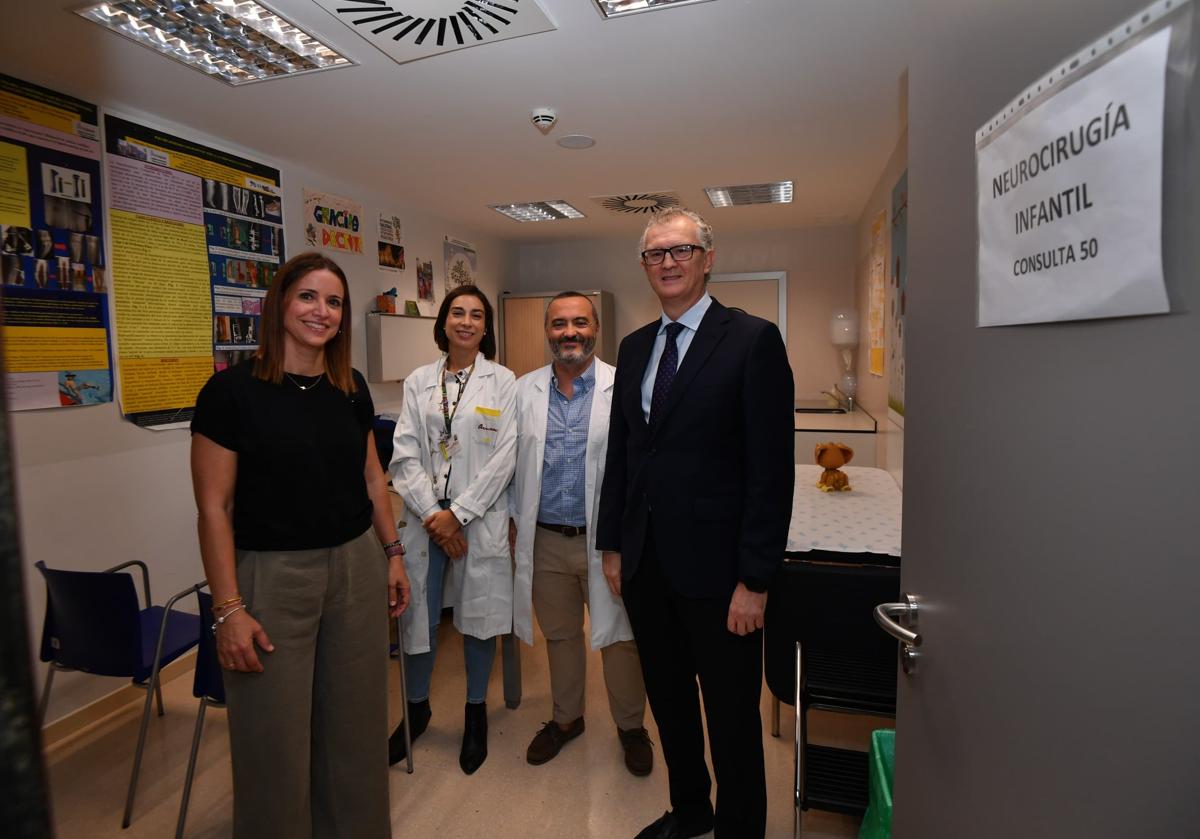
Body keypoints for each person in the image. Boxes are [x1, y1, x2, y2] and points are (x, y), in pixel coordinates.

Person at [190, 251, 410, 838]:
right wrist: (228, 608)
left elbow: (372, 478)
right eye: (308, 296)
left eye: (334, 301)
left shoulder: (349, 387)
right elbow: (214, 508)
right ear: (280, 302)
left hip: (356, 566)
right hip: (271, 575)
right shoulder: (230, 392)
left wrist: (393, 555)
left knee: (356, 728)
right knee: (274, 736)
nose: (322, 311)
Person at [596, 208, 795, 839]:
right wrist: (611, 545)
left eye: (681, 250)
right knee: (672, 705)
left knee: (732, 717)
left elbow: (771, 472)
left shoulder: (752, 340)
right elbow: (624, 455)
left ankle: (740, 829)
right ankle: (691, 811)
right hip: (648, 566)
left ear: (708, 258)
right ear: (645, 267)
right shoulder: (632, 348)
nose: (669, 262)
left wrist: (756, 581)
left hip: (721, 576)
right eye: (656, 254)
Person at [509, 292, 652, 774]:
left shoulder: (624, 386)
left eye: (579, 323)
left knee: (620, 637)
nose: (569, 332)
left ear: (596, 329)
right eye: (559, 324)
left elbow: (637, 469)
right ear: (546, 330)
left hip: (604, 540)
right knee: (562, 635)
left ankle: (631, 726)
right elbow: (508, 465)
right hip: (545, 538)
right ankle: (566, 720)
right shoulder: (523, 390)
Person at [388, 284, 516, 775]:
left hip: (475, 521)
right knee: (415, 614)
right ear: (442, 323)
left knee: (479, 617)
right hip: (425, 524)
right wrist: (433, 516)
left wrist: (456, 514)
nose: (466, 321)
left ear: (486, 327)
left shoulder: (503, 382)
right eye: (457, 313)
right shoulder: (418, 381)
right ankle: (416, 709)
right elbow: (404, 455)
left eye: (476, 315)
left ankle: (475, 711)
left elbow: (505, 457)